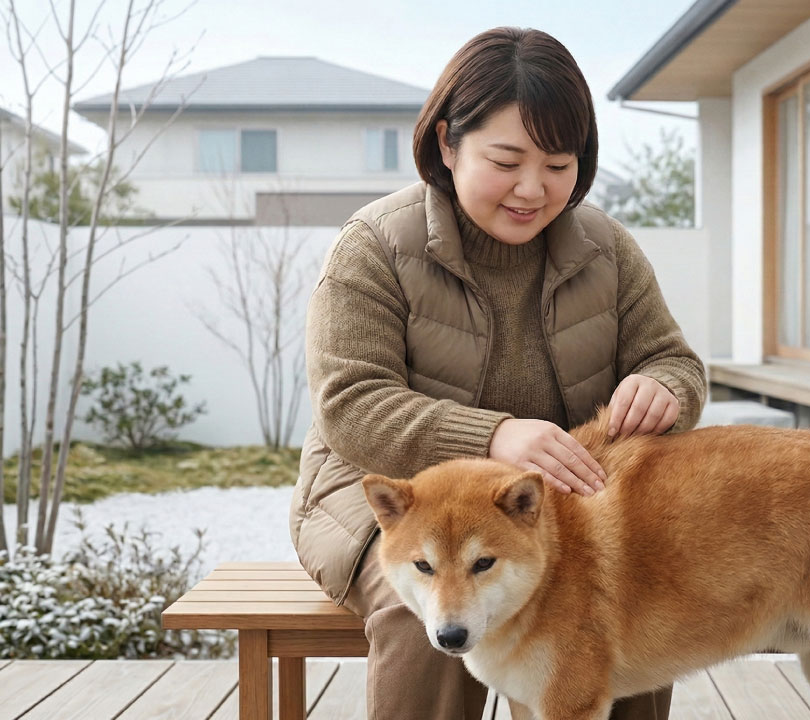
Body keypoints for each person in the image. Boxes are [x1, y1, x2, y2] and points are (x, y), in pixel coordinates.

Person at [288, 26, 707, 720]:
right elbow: (350, 404)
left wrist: (666, 388)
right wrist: (495, 437)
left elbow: (673, 360)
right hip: (392, 508)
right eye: (507, 160)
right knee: (425, 617)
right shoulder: (375, 246)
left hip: (552, 504)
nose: (533, 188)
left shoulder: (606, 249)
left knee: (627, 598)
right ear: (448, 144)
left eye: (559, 164)